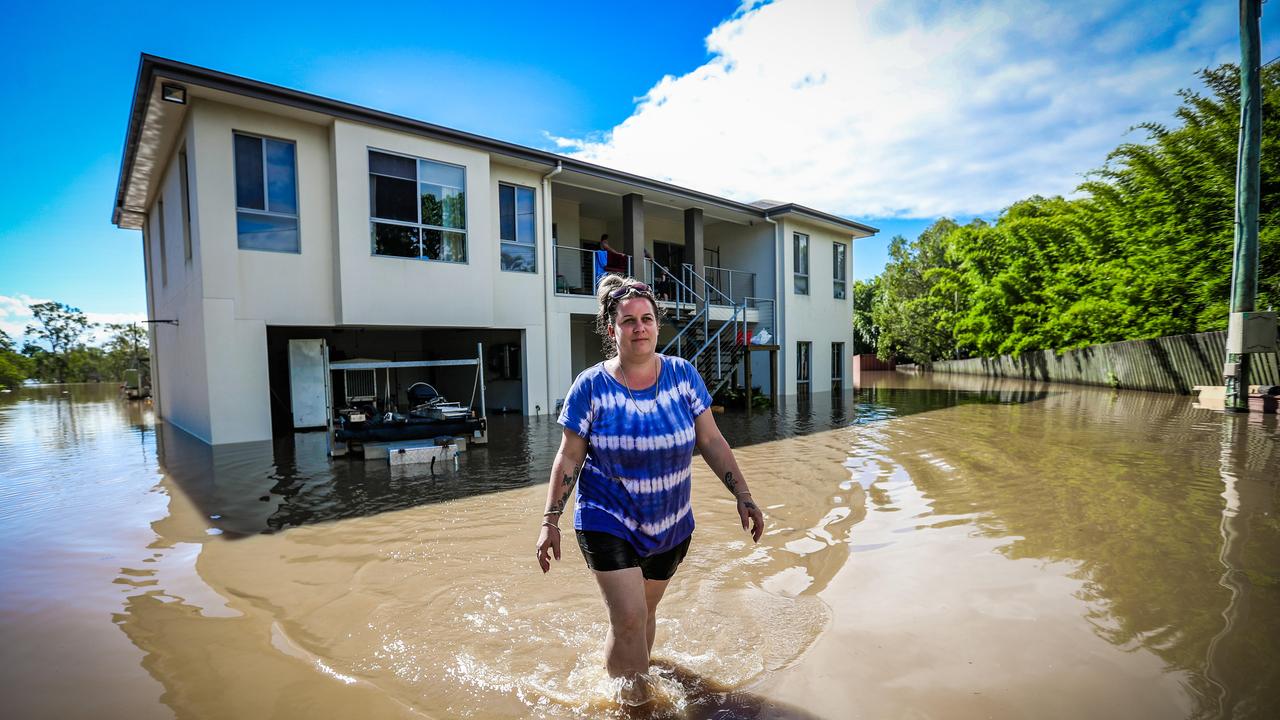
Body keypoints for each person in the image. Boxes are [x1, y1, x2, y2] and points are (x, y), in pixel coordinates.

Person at [535, 274, 765, 701]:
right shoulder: (591, 386)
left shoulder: (683, 376)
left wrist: (744, 496)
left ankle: (624, 679)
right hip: (607, 517)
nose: (638, 327)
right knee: (628, 619)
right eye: (628, 321)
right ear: (612, 329)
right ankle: (634, 706)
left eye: (646, 319)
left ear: (657, 326)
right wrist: (550, 520)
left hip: (671, 523)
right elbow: (569, 456)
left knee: (644, 614)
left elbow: (711, 440)